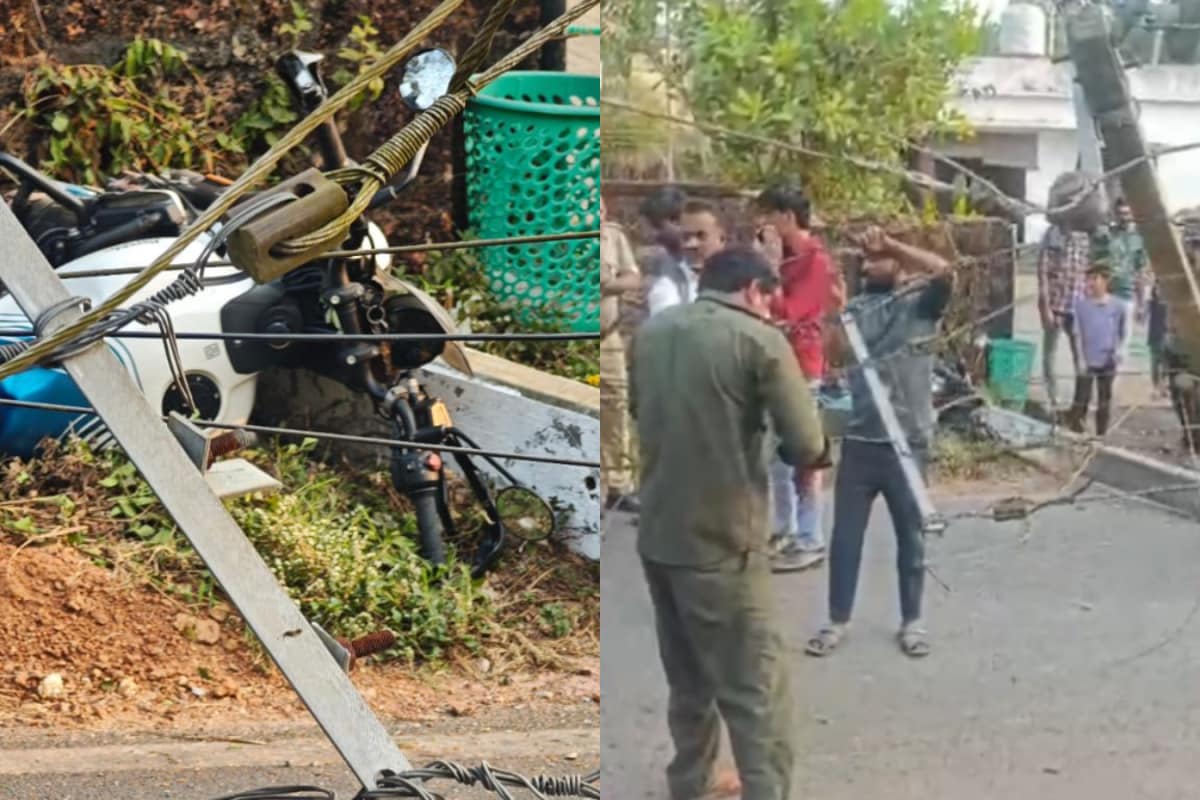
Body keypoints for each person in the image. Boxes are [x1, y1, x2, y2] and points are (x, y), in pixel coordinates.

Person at [631, 247, 829, 800]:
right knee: (756, 690)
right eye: (769, 299)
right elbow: (808, 444)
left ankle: (689, 786)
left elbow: (641, 415)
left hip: (660, 535)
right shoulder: (759, 340)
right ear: (753, 291)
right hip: (724, 541)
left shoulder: (651, 334)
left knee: (689, 682)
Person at [805, 226, 953, 660]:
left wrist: (895, 244)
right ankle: (836, 621)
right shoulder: (856, 309)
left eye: (880, 257)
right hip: (861, 443)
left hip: (908, 445)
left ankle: (912, 622)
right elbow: (835, 355)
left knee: (912, 536)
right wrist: (833, 310)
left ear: (900, 263)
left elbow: (947, 274)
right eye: (866, 258)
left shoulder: (920, 306)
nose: (872, 263)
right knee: (846, 537)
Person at [754, 184, 846, 573]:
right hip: (775, 361)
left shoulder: (815, 261)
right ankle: (785, 528)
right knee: (777, 456)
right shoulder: (786, 258)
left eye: (769, 217)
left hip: (803, 364)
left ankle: (811, 537)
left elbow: (789, 311)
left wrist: (771, 268)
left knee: (804, 453)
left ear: (788, 217)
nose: (764, 226)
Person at [600, 195, 643, 512]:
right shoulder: (566, 233)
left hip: (609, 339)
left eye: (602, 206)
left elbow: (633, 277)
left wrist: (608, 285)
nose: (599, 211)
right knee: (589, 397)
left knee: (615, 402)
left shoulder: (613, 237)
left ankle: (619, 483)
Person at [1065, 262, 1128, 437]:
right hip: (1087, 359)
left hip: (1108, 360)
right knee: (1081, 398)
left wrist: (1119, 351)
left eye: (1095, 279)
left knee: (1104, 400)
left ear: (1106, 281)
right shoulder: (1081, 306)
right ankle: (1076, 431)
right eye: (1089, 279)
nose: (1091, 283)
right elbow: (1076, 334)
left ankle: (1101, 435)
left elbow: (1123, 333)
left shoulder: (1118, 306)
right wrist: (1080, 359)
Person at [1036, 212, 1091, 409]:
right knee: (1049, 354)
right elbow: (1042, 271)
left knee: (1081, 356)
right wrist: (1045, 306)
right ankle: (1054, 399)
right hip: (1056, 305)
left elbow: (1089, 272)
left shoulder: (1085, 238)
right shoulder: (1052, 235)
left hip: (1078, 307)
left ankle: (1080, 403)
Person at [645, 199, 727, 315]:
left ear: (722, 237)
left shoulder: (743, 281)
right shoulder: (668, 284)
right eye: (686, 237)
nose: (692, 244)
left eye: (701, 236)